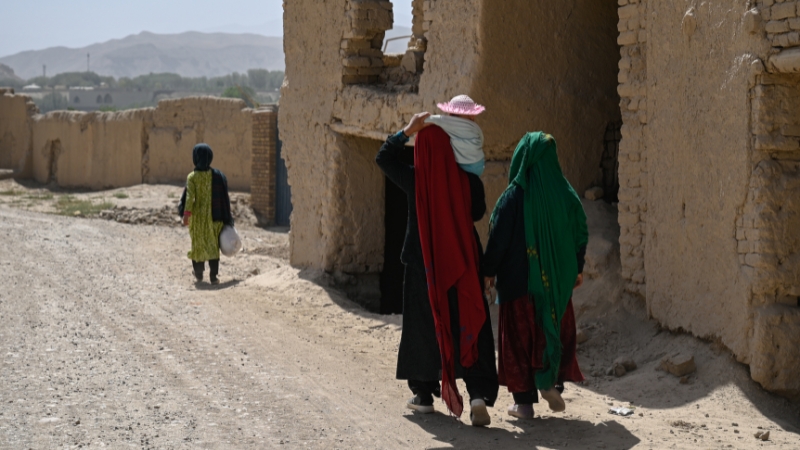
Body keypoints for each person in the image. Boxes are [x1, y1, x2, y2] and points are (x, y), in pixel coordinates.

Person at [375, 95, 498, 427]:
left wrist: (407, 131)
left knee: (424, 327)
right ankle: (476, 394)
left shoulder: (417, 179)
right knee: (468, 321)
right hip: (462, 259)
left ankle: (424, 396)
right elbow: (476, 213)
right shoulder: (469, 181)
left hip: (423, 263)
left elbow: (383, 158)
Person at [482, 132, 588, 420]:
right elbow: (580, 233)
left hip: (518, 286)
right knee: (552, 332)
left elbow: (498, 241)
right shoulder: (565, 194)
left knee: (519, 342)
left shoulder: (513, 197)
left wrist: (488, 272)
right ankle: (551, 384)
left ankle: (524, 404)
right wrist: (577, 268)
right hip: (556, 287)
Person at [178, 143, 233, 285]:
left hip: (197, 218)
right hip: (215, 216)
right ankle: (213, 277)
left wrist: (186, 214)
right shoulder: (217, 176)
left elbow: (189, 197)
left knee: (198, 245)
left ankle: (199, 274)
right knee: (213, 245)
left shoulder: (192, 177)